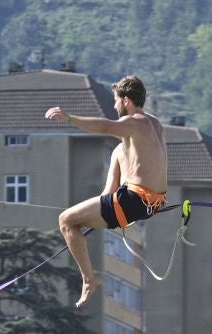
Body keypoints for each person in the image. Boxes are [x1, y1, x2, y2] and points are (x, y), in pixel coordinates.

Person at [46, 75, 169, 308]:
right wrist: (88, 222)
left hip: (135, 200)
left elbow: (105, 126)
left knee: (65, 220)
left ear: (126, 100)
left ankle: (89, 279)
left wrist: (69, 118)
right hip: (153, 204)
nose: (114, 106)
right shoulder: (155, 126)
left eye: (115, 100)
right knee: (77, 219)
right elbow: (107, 195)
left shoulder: (136, 122)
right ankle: (83, 248)